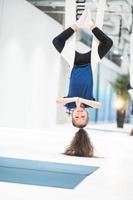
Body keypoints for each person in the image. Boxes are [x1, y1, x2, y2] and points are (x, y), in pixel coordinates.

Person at [52, 9, 113, 157]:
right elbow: (98, 105)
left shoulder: (70, 104)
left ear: (72, 116)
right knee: (108, 43)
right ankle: (91, 24)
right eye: (83, 117)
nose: (79, 115)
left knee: (56, 42)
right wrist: (83, 101)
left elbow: (57, 101)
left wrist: (75, 100)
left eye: (76, 117)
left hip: (74, 63)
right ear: (87, 114)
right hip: (90, 62)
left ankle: (77, 24)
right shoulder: (90, 104)